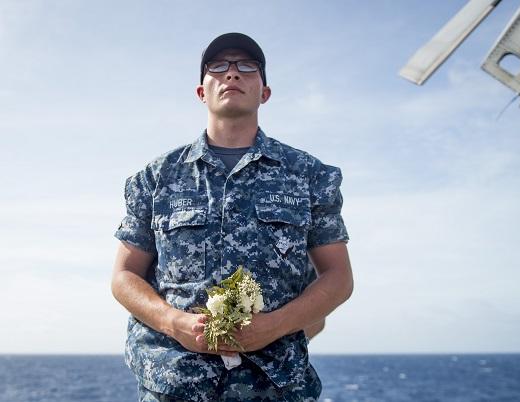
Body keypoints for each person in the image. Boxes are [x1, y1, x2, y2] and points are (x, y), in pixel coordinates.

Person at [111, 32, 353, 402]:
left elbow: (338, 278)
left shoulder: (310, 176)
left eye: (247, 67)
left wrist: (274, 326)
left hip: (275, 386)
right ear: (201, 91)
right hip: (174, 385)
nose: (233, 74)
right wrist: (173, 322)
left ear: (265, 93)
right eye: (219, 66)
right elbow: (125, 276)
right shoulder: (155, 178)